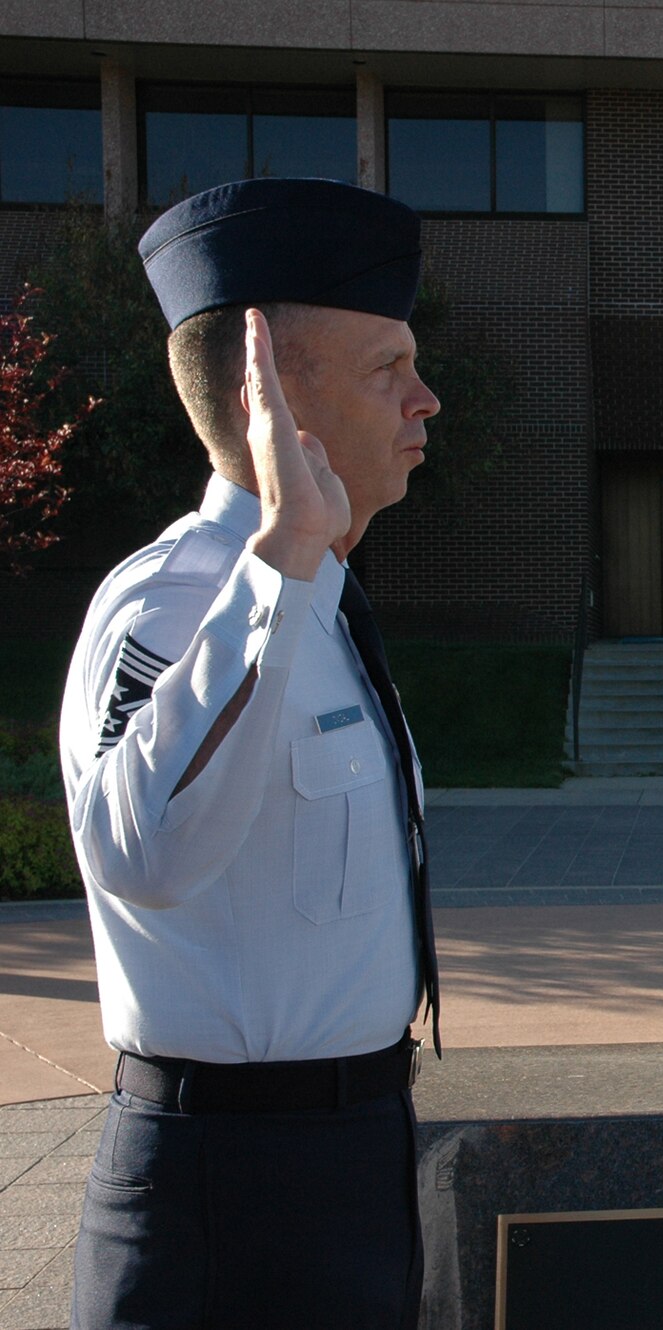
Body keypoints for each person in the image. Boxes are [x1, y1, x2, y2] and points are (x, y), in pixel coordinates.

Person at [59, 178, 442, 1328]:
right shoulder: (178, 602)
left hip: (350, 1159)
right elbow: (140, 849)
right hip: (226, 1193)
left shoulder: (316, 602)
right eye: (389, 368)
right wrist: (275, 560)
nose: (427, 399)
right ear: (265, 390)